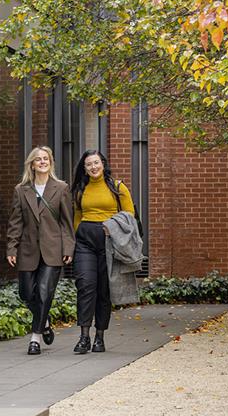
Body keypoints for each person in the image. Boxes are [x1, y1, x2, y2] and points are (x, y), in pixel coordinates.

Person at [7, 146, 74, 355]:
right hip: (27, 248)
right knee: (26, 293)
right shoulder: (21, 189)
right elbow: (15, 222)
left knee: (44, 293)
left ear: (50, 163)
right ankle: (44, 323)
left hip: (53, 249)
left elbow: (66, 222)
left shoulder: (61, 188)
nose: (42, 162)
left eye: (46, 159)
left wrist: (68, 247)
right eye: (38, 159)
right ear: (32, 164)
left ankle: (35, 338)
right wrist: (12, 247)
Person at [71, 149, 136, 354]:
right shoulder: (80, 189)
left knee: (104, 291)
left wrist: (112, 226)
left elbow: (129, 216)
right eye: (89, 164)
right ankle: (84, 337)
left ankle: (100, 337)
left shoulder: (118, 187)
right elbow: (77, 216)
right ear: (85, 168)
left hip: (109, 242)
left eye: (96, 163)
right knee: (85, 286)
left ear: (103, 164)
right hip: (85, 243)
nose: (93, 167)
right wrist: (77, 234)